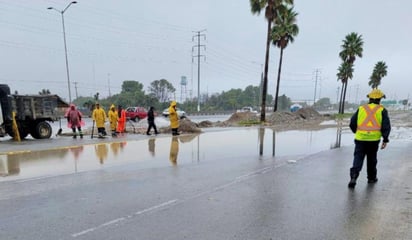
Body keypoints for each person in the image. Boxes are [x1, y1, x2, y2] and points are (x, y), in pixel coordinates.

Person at [348, 89, 391, 188]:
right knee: (372, 159)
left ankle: (354, 176)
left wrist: (356, 131)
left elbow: (352, 122)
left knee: (358, 158)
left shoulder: (361, 108)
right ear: (380, 99)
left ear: (370, 98)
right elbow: (386, 126)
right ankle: (371, 178)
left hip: (360, 139)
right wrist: (385, 139)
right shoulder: (382, 110)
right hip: (373, 140)